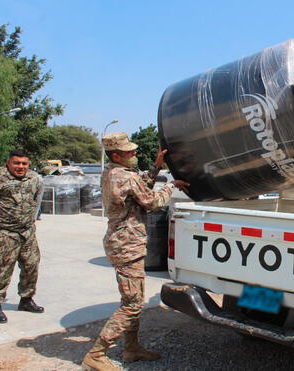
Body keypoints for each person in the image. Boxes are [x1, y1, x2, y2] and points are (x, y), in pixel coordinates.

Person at [82, 132, 189, 370]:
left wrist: (155, 167)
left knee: (132, 298)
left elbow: (139, 191)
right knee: (132, 304)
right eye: (129, 152)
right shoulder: (124, 175)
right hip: (127, 245)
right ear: (116, 155)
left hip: (123, 242)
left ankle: (131, 348)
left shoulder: (113, 172)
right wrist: (170, 186)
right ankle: (96, 354)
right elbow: (151, 202)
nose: (134, 154)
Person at [0, 149, 45, 323]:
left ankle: (26, 300)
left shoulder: (33, 178)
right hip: (4, 232)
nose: (20, 167)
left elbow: (35, 199)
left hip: (27, 231)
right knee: (1, 268)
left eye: (24, 163)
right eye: (16, 163)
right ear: (8, 162)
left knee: (31, 265)